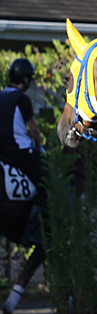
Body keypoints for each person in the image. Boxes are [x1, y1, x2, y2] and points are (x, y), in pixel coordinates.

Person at [1, 57, 46, 211]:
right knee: (46, 184)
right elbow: (34, 129)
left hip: (2, 152)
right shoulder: (22, 99)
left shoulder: (1, 95)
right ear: (25, 79)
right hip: (19, 152)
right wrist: (39, 147)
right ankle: (38, 225)